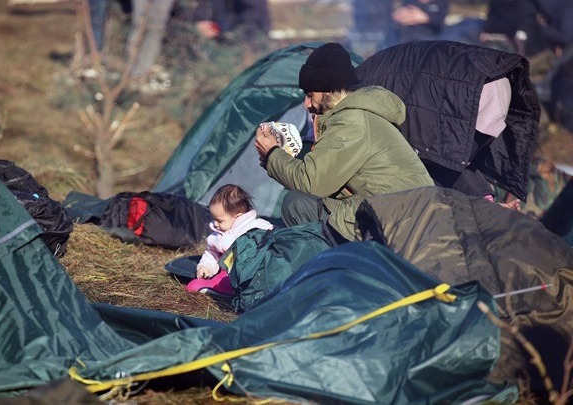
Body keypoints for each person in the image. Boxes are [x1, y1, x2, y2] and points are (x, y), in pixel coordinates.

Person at [254, 42, 435, 243]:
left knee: (297, 204)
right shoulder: (356, 117)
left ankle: (325, 273)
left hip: (399, 225)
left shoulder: (352, 122)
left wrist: (272, 154)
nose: (306, 104)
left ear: (328, 90)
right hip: (399, 216)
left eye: (310, 94)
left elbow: (311, 183)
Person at [186, 184, 274, 295]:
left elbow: (272, 234)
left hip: (253, 271)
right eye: (214, 219)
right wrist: (205, 267)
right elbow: (212, 254)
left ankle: (224, 287)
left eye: (220, 221)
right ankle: (221, 286)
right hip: (227, 272)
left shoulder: (256, 226)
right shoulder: (217, 236)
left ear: (238, 217)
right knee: (211, 280)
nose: (215, 224)